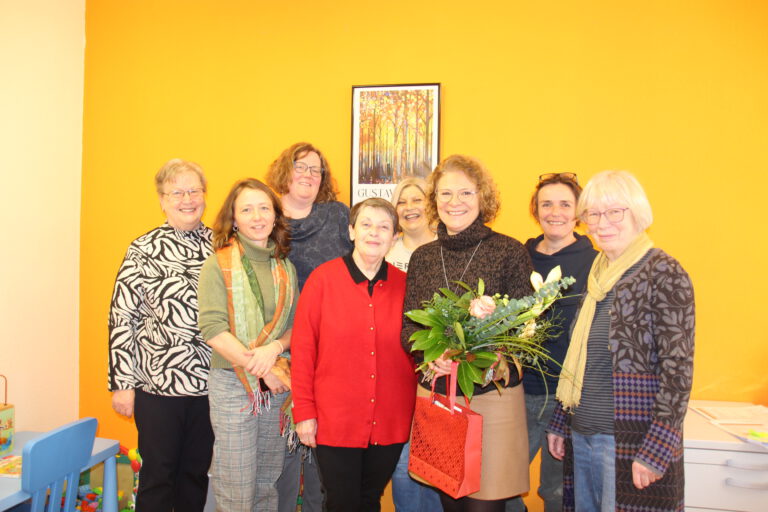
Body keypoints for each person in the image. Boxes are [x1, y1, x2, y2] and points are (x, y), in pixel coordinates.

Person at [546, 170, 695, 511]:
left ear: (638, 214)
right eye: (594, 214)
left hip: (630, 439)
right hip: (581, 434)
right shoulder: (597, 275)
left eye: (615, 212)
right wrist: (559, 422)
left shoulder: (663, 272)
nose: (602, 223)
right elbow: (581, 357)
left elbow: (679, 373)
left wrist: (657, 450)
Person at [402, 154, 534, 512]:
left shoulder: (509, 251)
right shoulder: (423, 258)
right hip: (440, 394)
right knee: (450, 500)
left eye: (465, 193)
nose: (454, 202)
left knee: (484, 505)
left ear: (483, 197)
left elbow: (525, 328)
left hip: (491, 398)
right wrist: (431, 358)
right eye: (445, 194)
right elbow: (409, 328)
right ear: (434, 201)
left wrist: (486, 359)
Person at [292, 198, 416, 512]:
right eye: (366, 224)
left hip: (390, 419)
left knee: (368, 500)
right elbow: (304, 350)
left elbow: (419, 351)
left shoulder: (407, 286)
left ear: (394, 237)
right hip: (335, 419)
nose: (374, 233)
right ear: (351, 231)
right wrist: (304, 412)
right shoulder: (323, 280)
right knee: (341, 502)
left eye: (384, 227)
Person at [108, 158, 214, 512]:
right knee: (158, 476)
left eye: (194, 190)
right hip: (156, 388)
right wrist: (122, 383)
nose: (187, 199)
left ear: (204, 196)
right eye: (177, 192)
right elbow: (122, 317)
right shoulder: (143, 249)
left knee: (196, 475)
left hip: (209, 387)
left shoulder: (223, 246)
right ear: (162, 199)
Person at [197, 178, 298, 511]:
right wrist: (259, 367)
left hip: (276, 385)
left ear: (275, 215)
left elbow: (293, 330)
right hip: (232, 385)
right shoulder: (218, 264)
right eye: (247, 209)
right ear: (234, 219)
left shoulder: (285, 267)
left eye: (264, 208)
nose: (257, 217)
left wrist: (271, 352)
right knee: (236, 483)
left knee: (266, 481)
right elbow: (213, 329)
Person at [266, 142, 354, 511]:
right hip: (274, 356)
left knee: (325, 463)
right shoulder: (264, 217)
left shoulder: (337, 216)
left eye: (316, 170)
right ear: (285, 170)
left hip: (329, 354)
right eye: (300, 166)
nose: (307, 174)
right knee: (279, 464)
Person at [506, 173, 597, 512]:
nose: (554, 212)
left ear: (578, 213)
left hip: (567, 397)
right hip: (516, 392)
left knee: (557, 492)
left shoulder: (595, 262)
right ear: (536, 210)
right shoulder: (518, 255)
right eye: (546, 204)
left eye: (564, 204)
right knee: (499, 484)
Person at [385, 177, 441, 511]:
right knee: (403, 464)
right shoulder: (385, 249)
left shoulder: (443, 249)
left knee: (434, 462)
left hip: (434, 368)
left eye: (416, 200)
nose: (409, 208)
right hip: (393, 369)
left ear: (430, 205)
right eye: (402, 202)